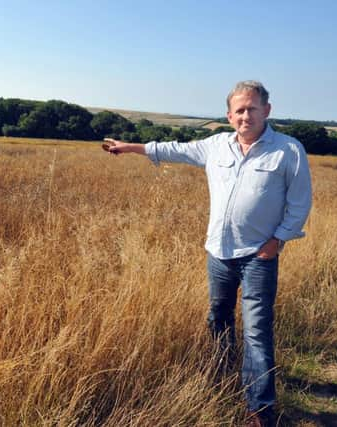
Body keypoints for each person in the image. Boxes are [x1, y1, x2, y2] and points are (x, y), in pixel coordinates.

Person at [103, 81, 312, 427]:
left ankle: (259, 410)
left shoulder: (288, 150)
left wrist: (277, 241)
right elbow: (174, 149)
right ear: (229, 116)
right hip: (218, 252)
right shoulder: (216, 146)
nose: (246, 115)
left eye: (253, 108)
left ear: (267, 110)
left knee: (257, 330)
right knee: (218, 318)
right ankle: (223, 376)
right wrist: (130, 148)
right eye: (239, 110)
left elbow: (300, 201)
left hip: (258, 256)